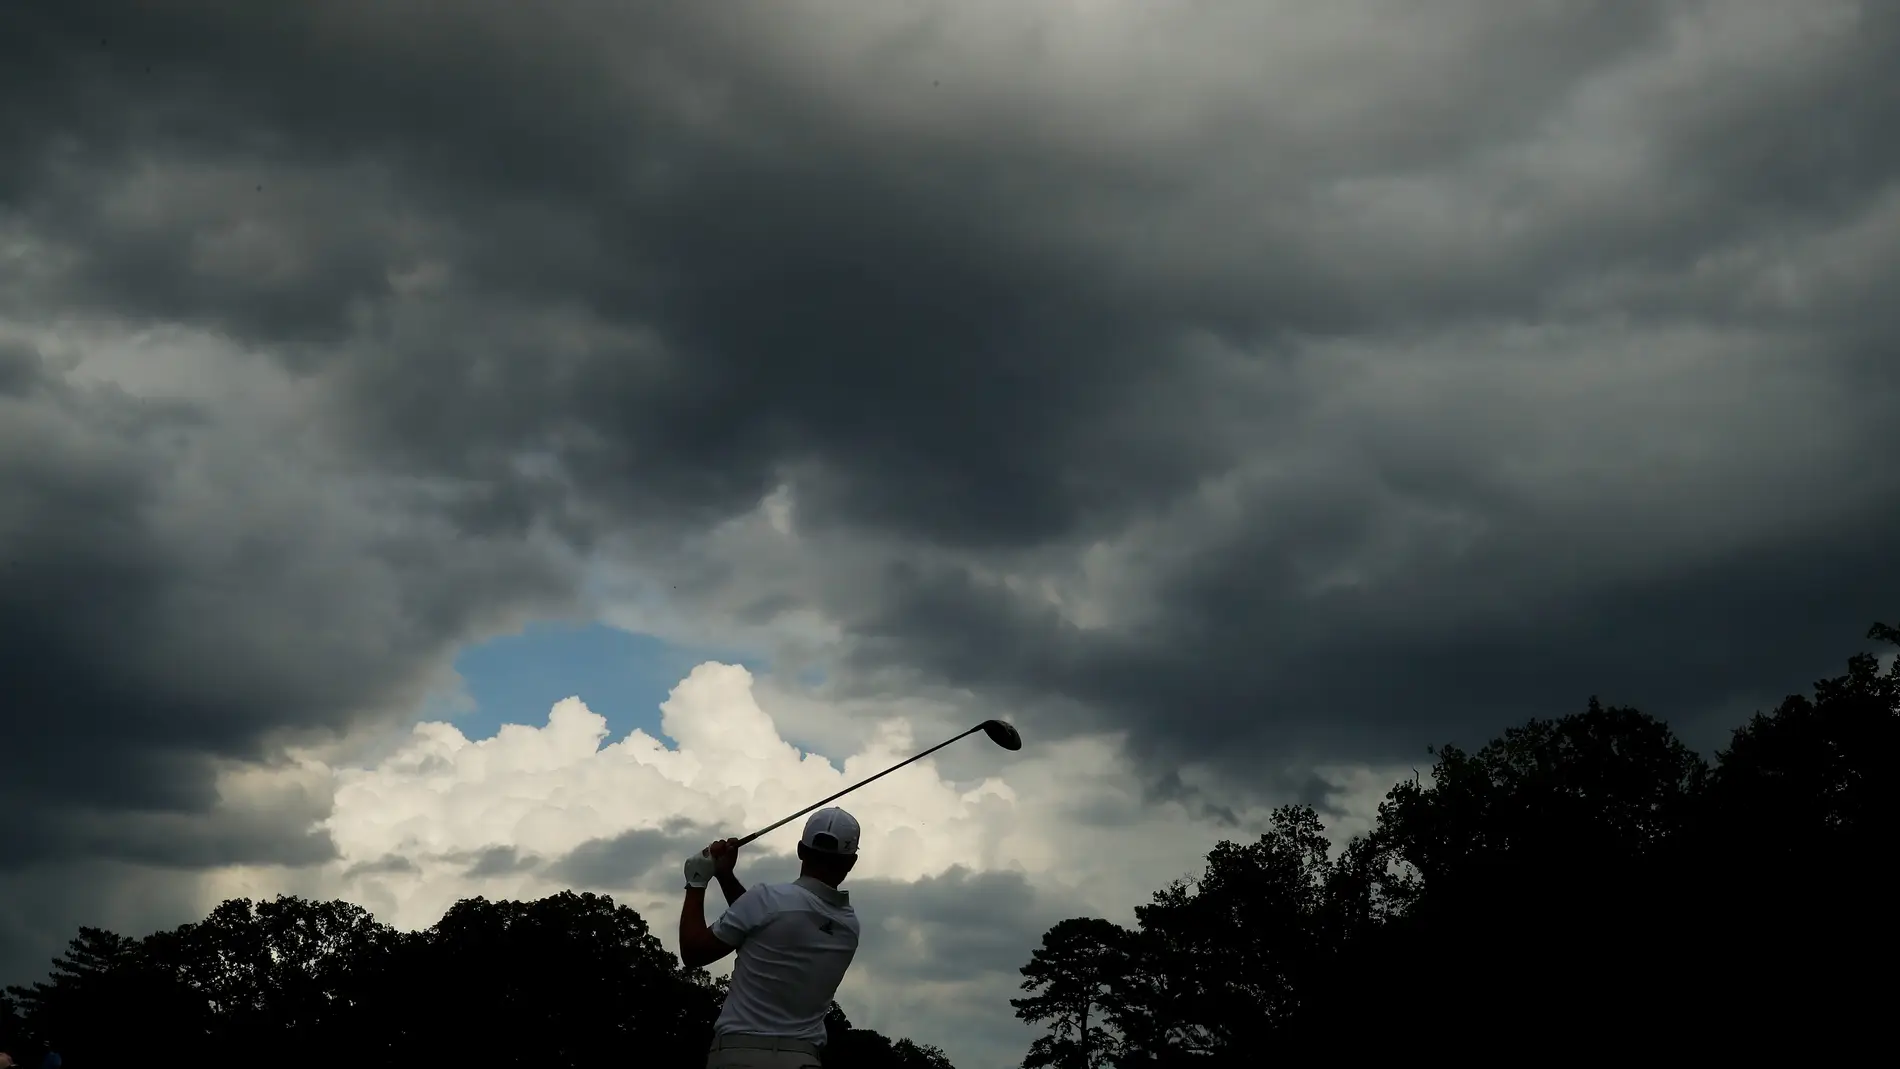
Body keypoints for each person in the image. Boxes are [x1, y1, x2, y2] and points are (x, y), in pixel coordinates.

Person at [679, 807, 864, 1069]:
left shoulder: (766, 900)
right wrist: (725, 875)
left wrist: (697, 880)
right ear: (851, 862)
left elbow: (693, 952)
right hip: (803, 1060)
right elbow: (764, 925)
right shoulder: (848, 926)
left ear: (801, 850)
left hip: (739, 1057)